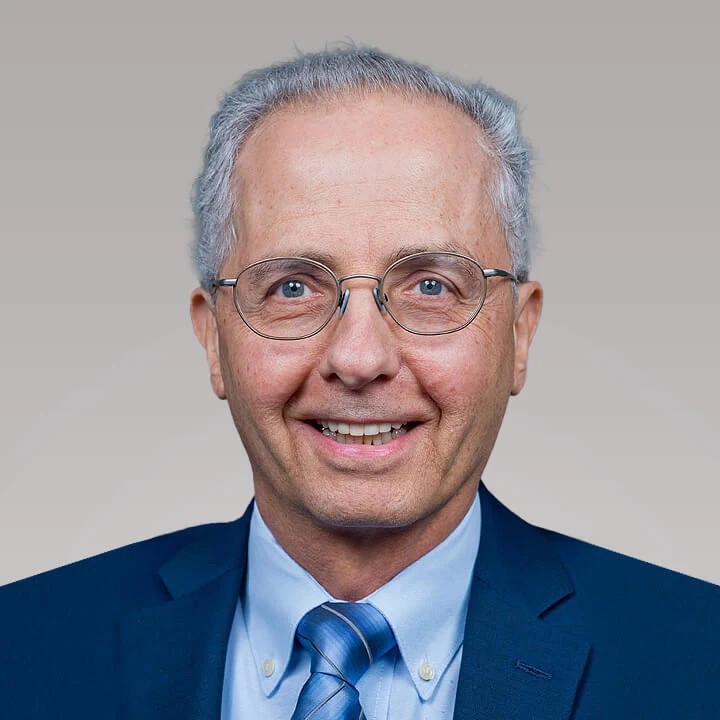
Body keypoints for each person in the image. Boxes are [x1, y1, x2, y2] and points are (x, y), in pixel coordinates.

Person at [1, 47, 718, 719]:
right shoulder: (23, 652)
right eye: (292, 288)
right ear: (214, 336)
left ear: (519, 333)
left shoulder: (698, 664)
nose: (359, 356)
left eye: (431, 285)